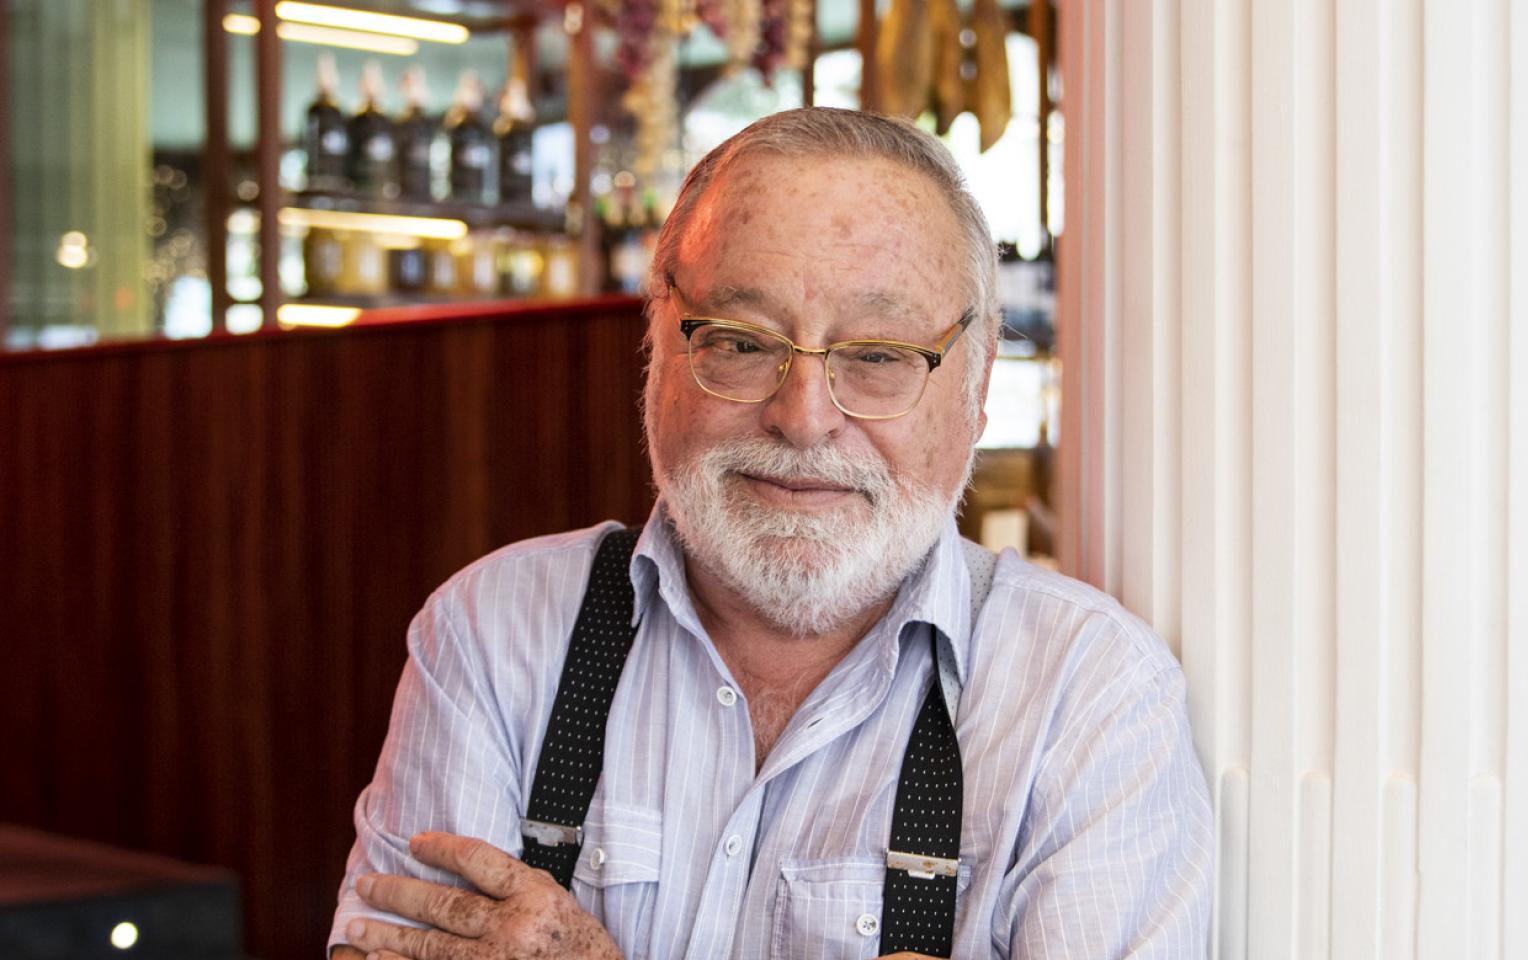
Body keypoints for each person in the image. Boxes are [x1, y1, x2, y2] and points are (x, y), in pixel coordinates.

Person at [327, 107, 1213, 960]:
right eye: (743, 342)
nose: (803, 418)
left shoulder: (1088, 700)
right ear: (659, 353)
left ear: (977, 391)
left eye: (877, 357)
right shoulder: (494, 633)